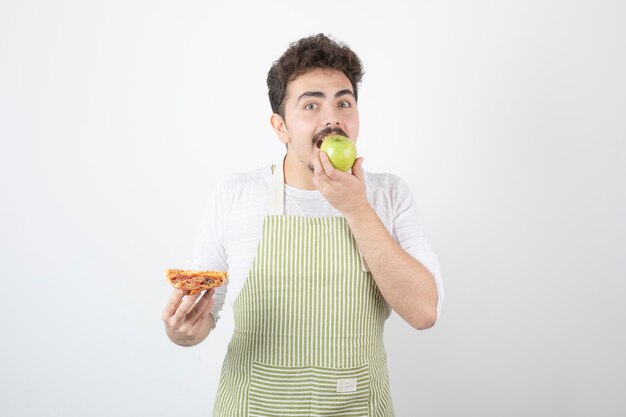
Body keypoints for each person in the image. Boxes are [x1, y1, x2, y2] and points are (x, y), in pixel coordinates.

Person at [162, 33, 444, 417]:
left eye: (344, 102)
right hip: (253, 406)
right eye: (311, 104)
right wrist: (183, 332)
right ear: (280, 126)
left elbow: (424, 312)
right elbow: (203, 311)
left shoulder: (388, 195)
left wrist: (358, 209)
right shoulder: (236, 195)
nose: (333, 117)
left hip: (357, 406)